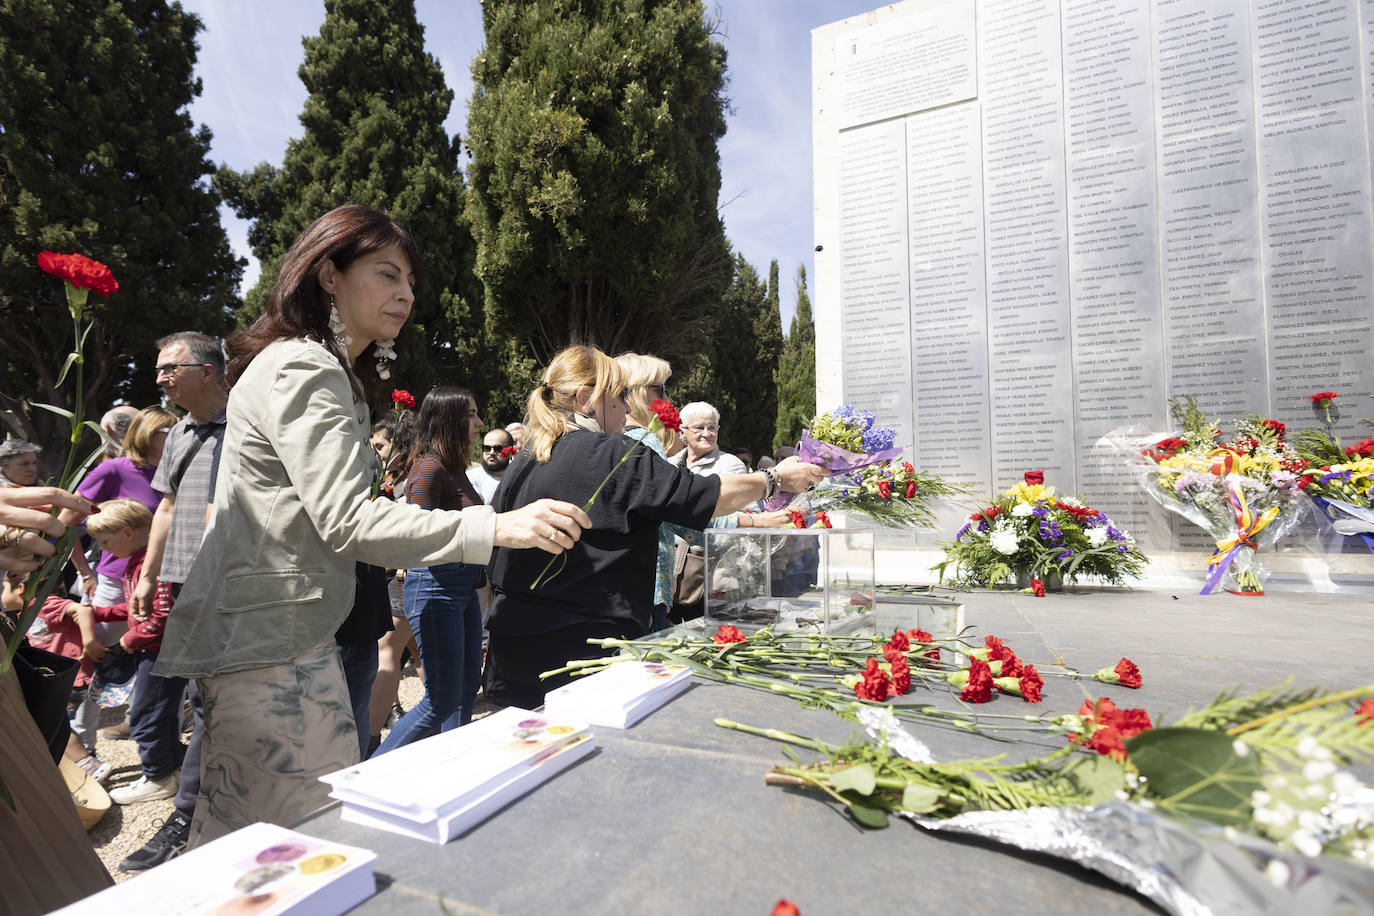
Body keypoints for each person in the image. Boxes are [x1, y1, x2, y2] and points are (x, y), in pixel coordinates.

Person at [152, 204, 589, 845]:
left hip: (284, 635)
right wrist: (497, 528)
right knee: (293, 847)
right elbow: (347, 519)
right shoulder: (304, 366)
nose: (405, 294)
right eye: (386, 274)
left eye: (410, 281)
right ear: (329, 274)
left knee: (248, 843)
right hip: (274, 644)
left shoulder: (323, 372)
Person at [484, 345, 826, 708]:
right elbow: (697, 496)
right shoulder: (614, 453)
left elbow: (496, 536)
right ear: (587, 398)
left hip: (514, 643)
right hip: (581, 651)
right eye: (619, 397)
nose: (628, 408)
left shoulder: (527, 457)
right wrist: (773, 479)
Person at [118, 331, 228, 871]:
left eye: (169, 368)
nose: (159, 378)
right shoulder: (180, 431)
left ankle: (191, 815)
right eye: (158, 369)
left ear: (207, 371)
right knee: (202, 700)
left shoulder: (248, 425)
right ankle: (192, 812)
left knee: (219, 702)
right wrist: (147, 578)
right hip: (184, 586)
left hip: (232, 587)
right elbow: (165, 510)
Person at [375, 387, 487, 755]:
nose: (479, 423)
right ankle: (373, 773)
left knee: (466, 688)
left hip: (462, 588)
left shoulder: (452, 467)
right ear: (449, 419)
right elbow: (416, 535)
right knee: (440, 699)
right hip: (435, 587)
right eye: (470, 414)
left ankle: (451, 765)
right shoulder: (428, 467)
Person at [671, 403, 747, 476]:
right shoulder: (670, 464)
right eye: (699, 428)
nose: (706, 433)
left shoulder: (731, 466)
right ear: (682, 432)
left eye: (711, 428)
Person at [467, 427, 514, 503]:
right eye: (487, 448)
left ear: (509, 451)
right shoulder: (470, 479)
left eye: (498, 448)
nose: (492, 453)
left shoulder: (519, 477)